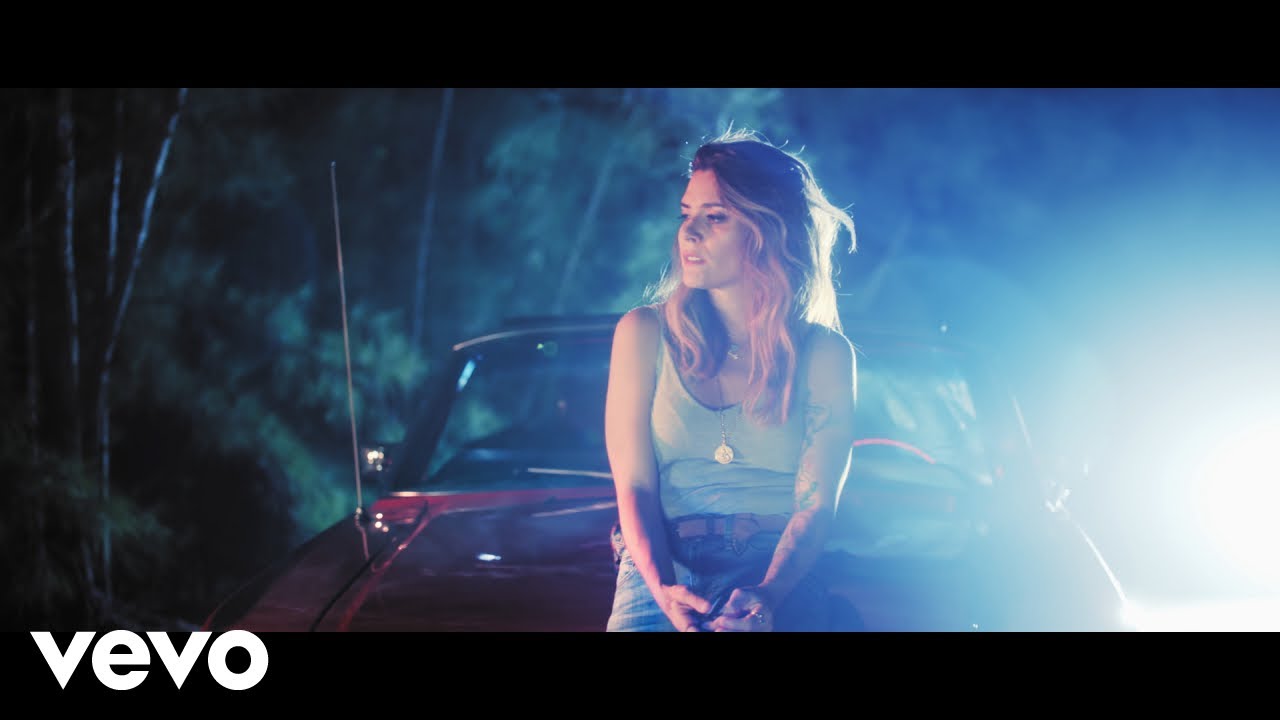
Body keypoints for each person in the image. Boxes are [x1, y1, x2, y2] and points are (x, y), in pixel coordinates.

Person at [604, 128, 858, 632]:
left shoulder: (825, 354)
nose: (689, 233)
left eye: (715, 217)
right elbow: (633, 486)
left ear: (768, 231)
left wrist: (768, 594)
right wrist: (663, 590)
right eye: (686, 214)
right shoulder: (642, 333)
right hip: (663, 563)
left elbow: (815, 506)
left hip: (778, 570)